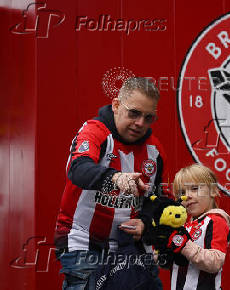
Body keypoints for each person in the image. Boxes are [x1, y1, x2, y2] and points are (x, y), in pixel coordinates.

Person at [54, 77, 168, 290]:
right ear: (116, 105)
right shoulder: (94, 131)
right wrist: (116, 178)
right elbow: (77, 169)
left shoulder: (155, 151)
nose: (140, 123)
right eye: (134, 113)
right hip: (83, 238)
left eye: (148, 117)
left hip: (131, 246)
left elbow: (157, 198)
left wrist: (144, 222)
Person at [162, 164, 230, 290]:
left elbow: (215, 262)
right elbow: (173, 264)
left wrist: (183, 244)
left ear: (213, 190)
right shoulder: (183, 226)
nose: (187, 196)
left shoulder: (216, 220)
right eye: (182, 192)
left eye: (194, 189)